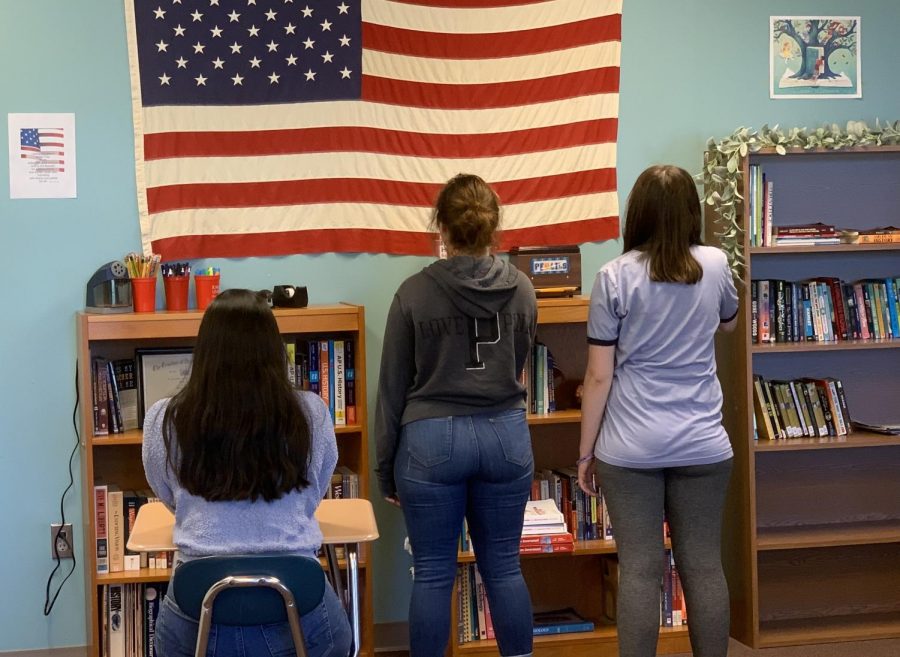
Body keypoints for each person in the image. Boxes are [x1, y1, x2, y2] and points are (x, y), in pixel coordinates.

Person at [576, 165, 738, 657]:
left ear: (638, 213)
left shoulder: (614, 276)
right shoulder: (716, 264)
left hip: (630, 449)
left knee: (641, 568)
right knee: (704, 566)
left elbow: (599, 377)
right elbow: (729, 325)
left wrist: (585, 456)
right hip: (704, 444)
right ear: (692, 212)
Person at [375, 173, 538, 657]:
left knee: (432, 572)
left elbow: (392, 389)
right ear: (493, 229)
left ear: (440, 228)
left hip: (430, 442)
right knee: (504, 566)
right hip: (506, 437)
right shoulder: (524, 289)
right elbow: (520, 364)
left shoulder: (412, 292)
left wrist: (386, 471)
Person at [142, 289, 351, 657]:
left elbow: (166, 488)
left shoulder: (165, 417)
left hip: (196, 612)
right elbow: (315, 490)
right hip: (299, 605)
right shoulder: (312, 413)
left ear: (204, 351)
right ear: (274, 350)